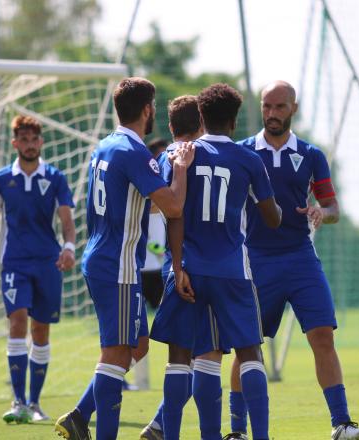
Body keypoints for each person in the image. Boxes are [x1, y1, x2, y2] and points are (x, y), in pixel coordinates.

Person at [226, 80, 359, 440]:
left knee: (323, 336)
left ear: (294, 107)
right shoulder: (243, 152)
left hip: (301, 259)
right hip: (256, 260)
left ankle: (341, 425)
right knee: (247, 346)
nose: (272, 114)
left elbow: (334, 206)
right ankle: (237, 432)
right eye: (266, 107)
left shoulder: (311, 155)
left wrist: (323, 211)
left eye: (279, 107)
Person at [54, 77, 194, 440]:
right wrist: (180, 167)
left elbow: (128, 201)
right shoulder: (134, 152)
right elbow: (174, 206)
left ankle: (81, 415)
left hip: (107, 258)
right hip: (116, 266)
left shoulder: (105, 146)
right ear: (147, 110)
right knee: (116, 354)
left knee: (138, 345)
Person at [149, 83, 282, 440]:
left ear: (201, 117)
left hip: (188, 270)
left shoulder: (179, 154)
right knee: (249, 352)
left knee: (181, 358)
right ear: (235, 120)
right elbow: (273, 218)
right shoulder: (248, 159)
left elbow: (172, 214)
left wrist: (177, 267)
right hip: (232, 272)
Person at [0, 115, 76, 424]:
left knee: (41, 330)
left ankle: (35, 404)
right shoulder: (0, 179)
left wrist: (69, 248)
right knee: (18, 321)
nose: (30, 145)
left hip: (47, 263)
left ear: (41, 143)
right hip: (14, 264)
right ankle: (18, 402)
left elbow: (67, 222)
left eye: (35, 139)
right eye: (24, 139)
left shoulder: (56, 177)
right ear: (15, 143)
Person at [139, 95, 208, 440]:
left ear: (170, 126)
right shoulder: (212, 156)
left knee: (181, 356)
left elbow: (155, 208)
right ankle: (164, 426)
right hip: (203, 268)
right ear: (202, 124)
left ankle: (160, 425)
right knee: (201, 358)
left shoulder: (162, 161)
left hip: (168, 267)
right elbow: (174, 210)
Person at [143, 138, 170, 309]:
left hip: (163, 267)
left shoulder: (169, 191)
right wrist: (162, 252)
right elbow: (144, 237)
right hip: (147, 268)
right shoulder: (146, 195)